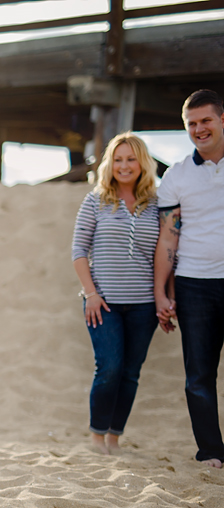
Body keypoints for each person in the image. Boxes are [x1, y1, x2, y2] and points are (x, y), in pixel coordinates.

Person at [72, 132, 166, 455]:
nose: (124, 165)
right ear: (109, 164)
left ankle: (115, 436)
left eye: (130, 159)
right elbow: (78, 250)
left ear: (142, 163)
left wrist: (165, 296)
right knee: (109, 367)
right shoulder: (95, 200)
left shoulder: (157, 204)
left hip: (143, 305)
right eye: (118, 159)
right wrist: (91, 293)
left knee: (130, 373)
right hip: (103, 303)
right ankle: (97, 436)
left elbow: (166, 254)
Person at [154, 89, 224, 469]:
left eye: (206, 120)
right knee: (199, 374)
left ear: (222, 120)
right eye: (192, 124)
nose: (199, 129)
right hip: (194, 284)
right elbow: (169, 235)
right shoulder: (177, 175)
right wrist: (161, 292)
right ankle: (211, 451)